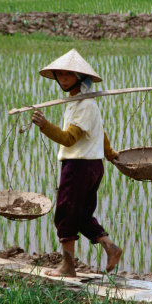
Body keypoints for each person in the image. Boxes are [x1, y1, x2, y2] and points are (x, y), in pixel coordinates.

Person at [32, 48, 122, 277]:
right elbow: (100, 133)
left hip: (79, 166)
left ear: (80, 77)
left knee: (64, 213)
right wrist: (110, 155)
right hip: (91, 166)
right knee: (80, 214)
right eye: (60, 74)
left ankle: (68, 267)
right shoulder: (78, 102)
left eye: (68, 74)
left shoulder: (85, 105)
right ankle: (110, 247)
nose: (63, 78)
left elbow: (69, 139)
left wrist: (45, 126)